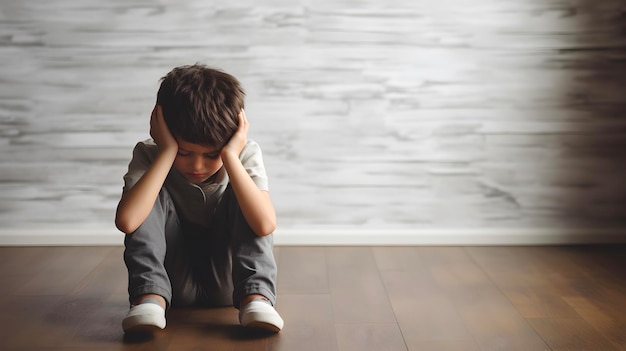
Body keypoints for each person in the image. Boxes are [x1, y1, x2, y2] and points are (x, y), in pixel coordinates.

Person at [115, 64, 284, 334]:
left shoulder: (244, 153)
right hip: (169, 284)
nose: (197, 165)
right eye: (184, 152)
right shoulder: (150, 154)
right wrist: (167, 152)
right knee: (147, 192)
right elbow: (128, 220)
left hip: (228, 283)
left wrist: (230, 158)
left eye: (210, 154)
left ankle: (257, 298)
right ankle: (147, 299)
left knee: (246, 195)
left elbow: (264, 224)